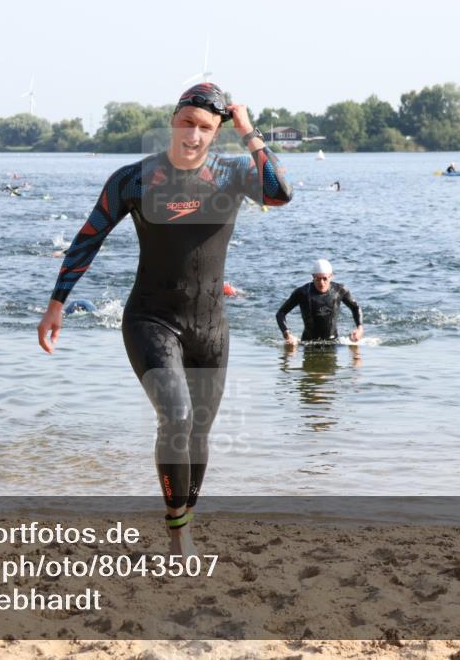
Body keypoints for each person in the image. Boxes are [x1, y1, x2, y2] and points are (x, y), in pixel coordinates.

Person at [37, 82, 293, 555]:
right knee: (176, 417)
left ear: (216, 133)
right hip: (151, 319)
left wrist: (248, 131)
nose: (193, 135)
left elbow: (280, 192)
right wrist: (56, 304)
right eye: (186, 123)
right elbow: (89, 237)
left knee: (198, 433)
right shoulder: (134, 179)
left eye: (205, 128)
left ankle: (184, 518)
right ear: (173, 121)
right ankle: (179, 535)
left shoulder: (235, 173)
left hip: (210, 326)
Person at [277, 259, 363, 346]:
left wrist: (359, 329)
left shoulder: (340, 290)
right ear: (313, 276)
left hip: (333, 342)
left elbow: (355, 308)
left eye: (325, 279)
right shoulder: (302, 292)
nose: (321, 283)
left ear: (331, 276)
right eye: (317, 279)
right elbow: (281, 313)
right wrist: (287, 334)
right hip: (307, 343)